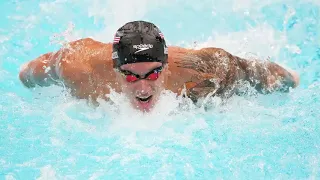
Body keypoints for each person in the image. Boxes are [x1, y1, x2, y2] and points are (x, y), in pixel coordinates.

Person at [19, 20, 299, 111]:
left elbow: (253, 70)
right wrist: (26, 79)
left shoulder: (199, 69)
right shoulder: (78, 68)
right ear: (115, 67)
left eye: (153, 73)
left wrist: (289, 81)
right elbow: (30, 72)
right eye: (130, 76)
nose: (143, 88)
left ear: (166, 65)